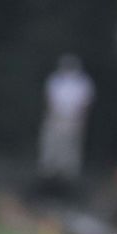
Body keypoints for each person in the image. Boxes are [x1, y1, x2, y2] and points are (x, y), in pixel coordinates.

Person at [37, 54, 94, 187]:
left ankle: (67, 174)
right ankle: (48, 171)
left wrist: (80, 119)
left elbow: (85, 103)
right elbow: (49, 99)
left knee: (70, 147)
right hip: (56, 116)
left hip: (73, 118)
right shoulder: (55, 80)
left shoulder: (83, 82)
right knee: (51, 143)